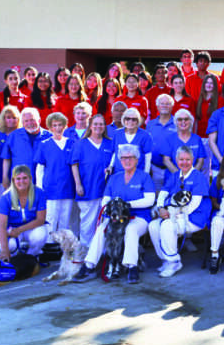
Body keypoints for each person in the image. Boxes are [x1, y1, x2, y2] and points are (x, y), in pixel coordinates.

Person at [74, 144, 156, 284]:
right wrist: (113, 208)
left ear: (137, 159)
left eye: (130, 157)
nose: (127, 161)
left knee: (130, 229)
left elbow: (150, 200)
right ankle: (89, 265)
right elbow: (105, 200)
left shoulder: (144, 177)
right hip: (115, 217)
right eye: (123, 158)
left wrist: (127, 205)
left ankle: (131, 267)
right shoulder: (114, 178)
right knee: (101, 230)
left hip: (138, 217)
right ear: (120, 160)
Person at [149, 145, 211, 277]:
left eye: (188, 159)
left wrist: (176, 214)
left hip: (194, 217)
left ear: (192, 160)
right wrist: (160, 208)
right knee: (153, 226)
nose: (184, 162)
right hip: (174, 213)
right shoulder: (175, 176)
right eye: (181, 159)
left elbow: (194, 203)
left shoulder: (198, 177)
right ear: (177, 161)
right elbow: (163, 193)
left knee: (167, 225)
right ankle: (166, 260)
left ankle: (174, 262)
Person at [71, 114, 114, 246]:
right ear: (90, 126)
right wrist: (78, 184)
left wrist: (111, 168)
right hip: (88, 188)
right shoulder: (81, 144)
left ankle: (101, 251)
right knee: (88, 223)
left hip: (105, 190)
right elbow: (74, 165)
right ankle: (86, 249)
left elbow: (115, 162)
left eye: (101, 124)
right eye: (95, 124)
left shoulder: (110, 143)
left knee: (104, 223)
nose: (98, 127)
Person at [34, 112, 77, 236]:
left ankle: (63, 245)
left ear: (65, 126)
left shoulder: (72, 143)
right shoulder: (44, 144)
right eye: (54, 125)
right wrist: (39, 188)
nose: (58, 128)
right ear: (50, 127)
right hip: (51, 188)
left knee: (65, 221)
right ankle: (49, 244)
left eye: (60, 125)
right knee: (51, 219)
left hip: (68, 188)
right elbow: (39, 169)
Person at [0, 165, 49, 261]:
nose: (22, 181)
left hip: (31, 227)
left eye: (25, 178)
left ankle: (30, 257)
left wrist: (19, 230)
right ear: (13, 180)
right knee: (10, 245)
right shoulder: (6, 197)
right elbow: (1, 225)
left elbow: (41, 220)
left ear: (30, 178)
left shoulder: (39, 193)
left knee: (40, 236)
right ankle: (13, 258)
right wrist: (5, 250)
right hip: (12, 229)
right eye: (18, 179)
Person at [0, 105, 20, 248]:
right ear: (2, 118)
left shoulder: (21, 134)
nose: (11, 120)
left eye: (14, 118)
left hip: (18, 178)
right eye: (8, 117)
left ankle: (13, 235)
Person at [1, 107, 52, 188]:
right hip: (20, 182)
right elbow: (6, 158)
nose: (29, 123)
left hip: (43, 182)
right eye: (26, 121)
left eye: (32, 120)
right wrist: (5, 177)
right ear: (22, 123)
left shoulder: (49, 137)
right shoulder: (14, 136)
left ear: (39, 120)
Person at [160, 109, 207, 177]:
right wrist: (180, 176)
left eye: (186, 119)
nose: (183, 122)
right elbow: (166, 161)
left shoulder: (197, 139)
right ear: (175, 122)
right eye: (180, 119)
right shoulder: (169, 139)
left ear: (191, 121)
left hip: (193, 179)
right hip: (173, 178)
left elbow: (200, 161)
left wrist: (190, 176)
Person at [146, 94, 178, 190]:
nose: (164, 106)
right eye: (162, 103)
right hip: (154, 169)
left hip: (172, 168)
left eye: (167, 104)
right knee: (155, 196)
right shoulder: (150, 125)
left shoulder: (178, 123)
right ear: (157, 106)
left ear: (172, 106)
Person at [110, 108, 153, 174]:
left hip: (137, 174)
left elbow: (148, 156)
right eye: (127, 119)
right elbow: (114, 153)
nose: (130, 121)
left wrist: (146, 173)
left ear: (138, 121)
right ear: (124, 120)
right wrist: (110, 166)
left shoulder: (145, 135)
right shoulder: (117, 134)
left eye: (134, 119)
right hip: (119, 173)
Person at [193, 74, 221, 139]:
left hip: (212, 137)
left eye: (211, 83)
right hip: (199, 136)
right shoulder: (198, 100)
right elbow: (196, 121)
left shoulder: (219, 100)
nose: (208, 85)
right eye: (207, 82)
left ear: (215, 85)